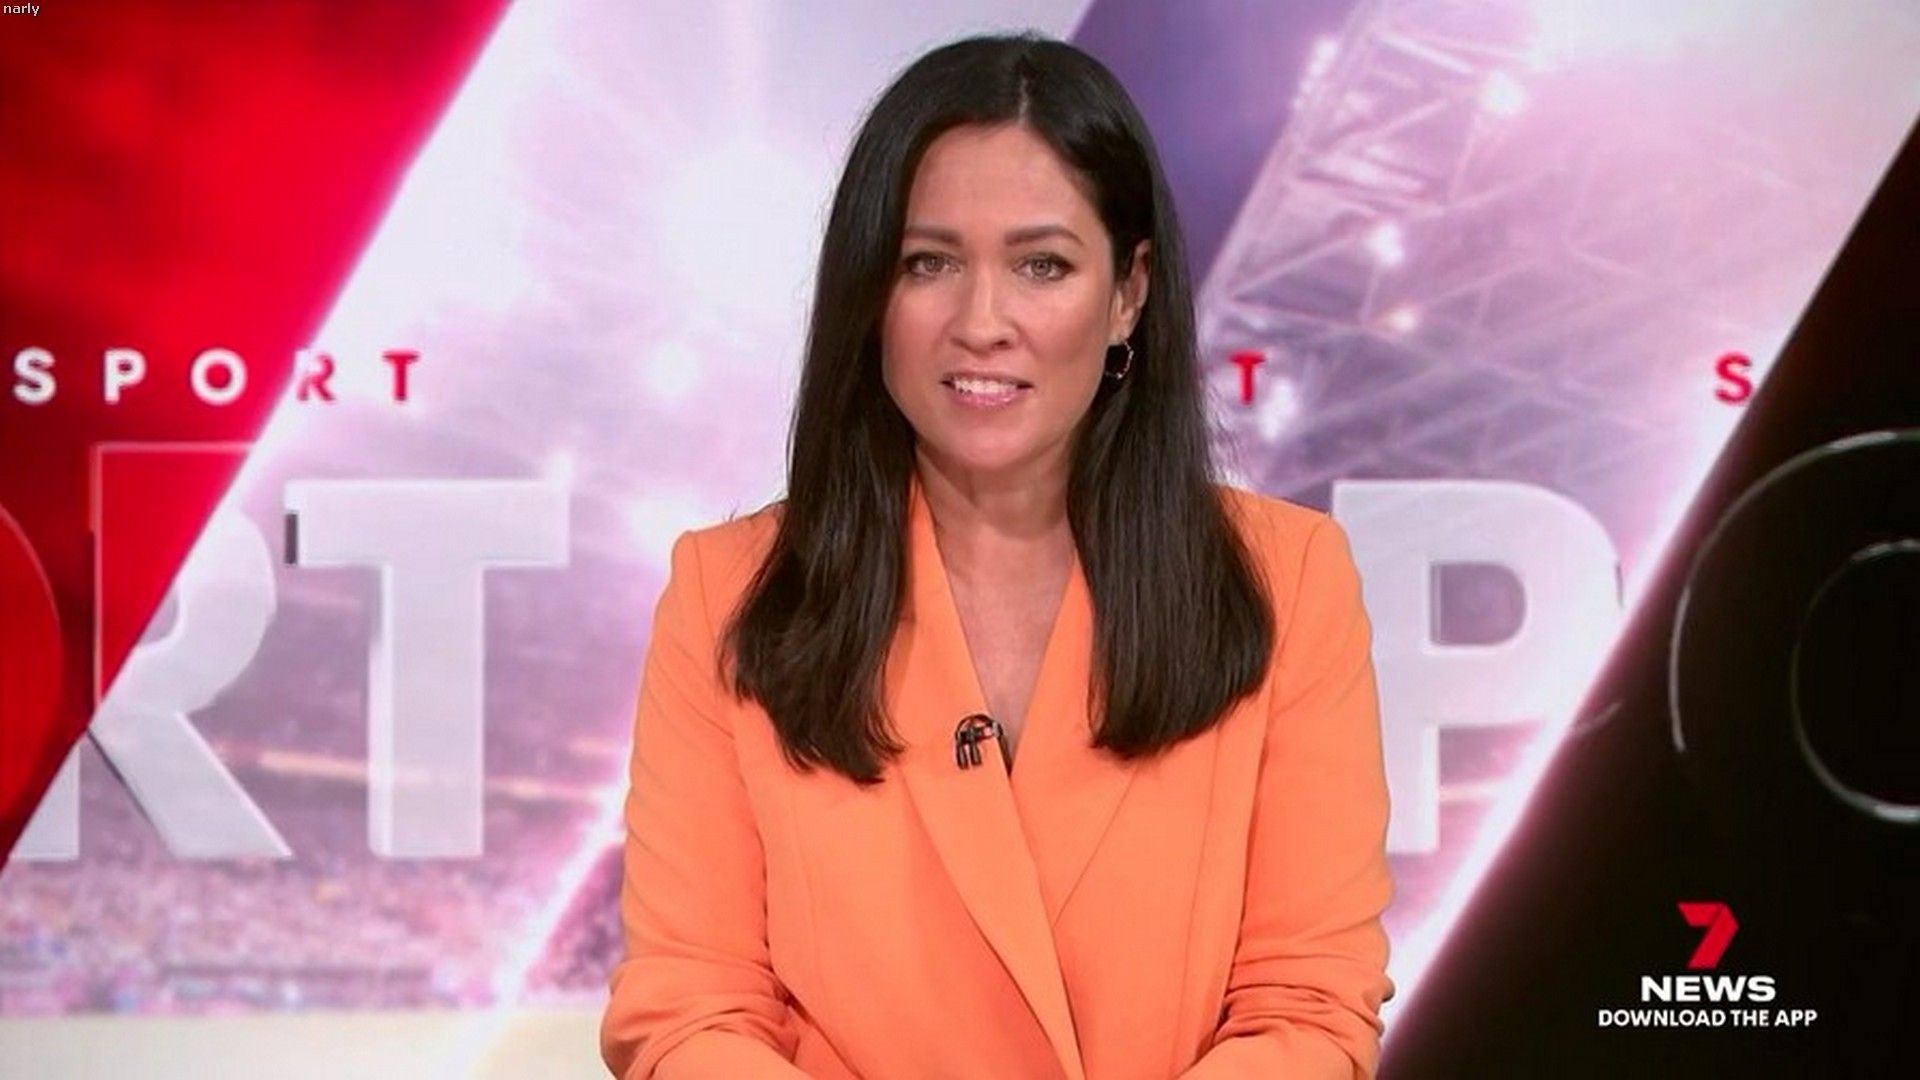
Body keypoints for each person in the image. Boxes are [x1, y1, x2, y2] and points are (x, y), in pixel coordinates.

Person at [600, 30, 1394, 1080]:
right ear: (870, 295)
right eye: (928, 263)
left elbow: (1307, 1008)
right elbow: (691, 1009)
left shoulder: (1288, 582)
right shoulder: (728, 594)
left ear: (1129, 294)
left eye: (1041, 265)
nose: (982, 322)